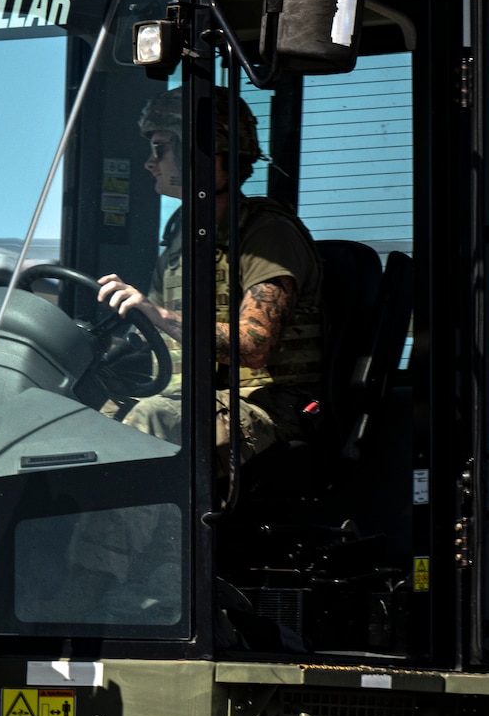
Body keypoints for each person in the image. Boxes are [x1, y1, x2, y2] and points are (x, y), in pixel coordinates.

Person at [94, 88, 323, 460]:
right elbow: (149, 333)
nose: (150, 163)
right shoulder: (180, 239)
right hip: (190, 401)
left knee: (151, 421)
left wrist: (160, 316)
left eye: (160, 148)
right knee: (86, 421)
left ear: (203, 150)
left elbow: (254, 344)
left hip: (267, 409)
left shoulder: (266, 233)